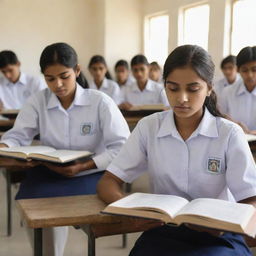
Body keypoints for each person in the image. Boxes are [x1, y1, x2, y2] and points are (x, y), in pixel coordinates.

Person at [97, 45, 256, 256]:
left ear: (209, 88)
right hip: (164, 231)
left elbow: (250, 199)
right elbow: (109, 182)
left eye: (192, 89)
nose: (182, 98)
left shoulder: (229, 134)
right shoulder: (149, 127)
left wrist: (221, 222)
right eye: (173, 88)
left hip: (219, 235)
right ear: (164, 86)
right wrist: (133, 213)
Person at [0, 42, 130, 256]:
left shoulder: (100, 102)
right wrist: (6, 147)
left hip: (90, 173)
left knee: (87, 215)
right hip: (49, 173)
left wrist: (85, 165)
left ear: (77, 70)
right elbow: (17, 136)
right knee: (37, 216)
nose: (58, 84)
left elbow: (123, 146)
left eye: (64, 76)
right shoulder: (38, 102)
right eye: (50, 79)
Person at [219, 46, 256, 134]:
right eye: (245, 70)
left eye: (254, 70)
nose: (250, 75)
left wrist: (252, 133)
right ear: (238, 70)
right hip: (235, 141)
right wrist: (234, 126)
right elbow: (220, 118)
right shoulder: (227, 92)